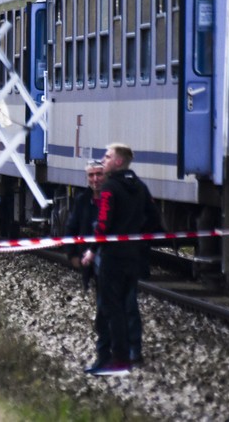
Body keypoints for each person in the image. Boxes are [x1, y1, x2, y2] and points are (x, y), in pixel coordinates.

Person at [82, 143, 162, 376]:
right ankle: (126, 355)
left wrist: (93, 249)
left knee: (111, 310)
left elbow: (104, 223)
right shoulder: (140, 186)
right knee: (128, 306)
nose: (103, 160)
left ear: (118, 162)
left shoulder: (109, 188)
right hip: (133, 257)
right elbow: (155, 219)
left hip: (112, 259)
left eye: (107, 157)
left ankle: (116, 361)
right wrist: (137, 238)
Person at [65, 160, 143, 374]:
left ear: (106, 176)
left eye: (99, 174)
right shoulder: (83, 201)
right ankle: (108, 355)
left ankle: (130, 351)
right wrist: (72, 254)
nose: (95, 179)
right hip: (99, 266)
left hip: (120, 261)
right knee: (105, 311)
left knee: (127, 306)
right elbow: (72, 227)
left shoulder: (116, 198)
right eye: (91, 175)